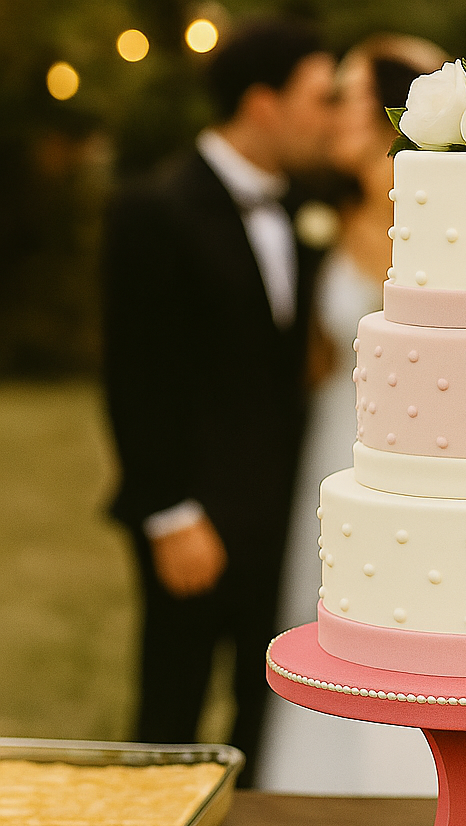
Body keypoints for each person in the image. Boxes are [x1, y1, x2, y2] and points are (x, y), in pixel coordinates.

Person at [101, 19, 338, 786]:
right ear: (264, 103)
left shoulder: (309, 209)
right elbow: (134, 377)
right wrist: (168, 511)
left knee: (262, 715)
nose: (329, 114)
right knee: (170, 711)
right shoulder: (154, 209)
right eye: (318, 97)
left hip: (283, 510)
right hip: (194, 515)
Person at [256, 35, 447, 795]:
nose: (331, 114)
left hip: (411, 463)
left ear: (390, 114)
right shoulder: (328, 221)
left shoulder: (443, 224)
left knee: (407, 626)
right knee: (326, 618)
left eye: (345, 96)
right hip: (331, 446)